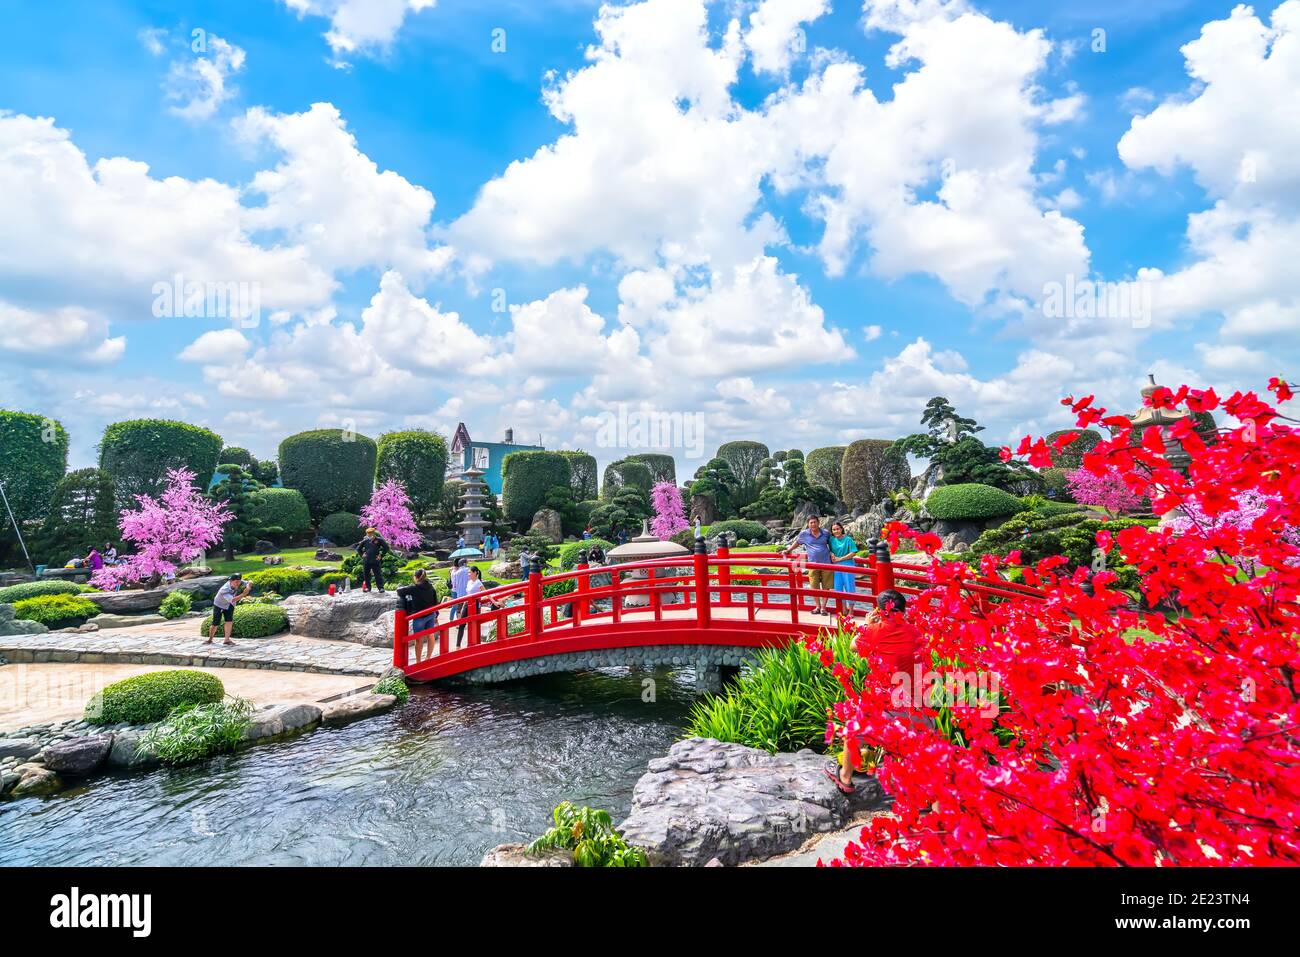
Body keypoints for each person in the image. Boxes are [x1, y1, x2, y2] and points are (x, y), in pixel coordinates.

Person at [826, 590, 924, 794]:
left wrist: (868, 623)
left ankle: (845, 777)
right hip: (913, 701)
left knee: (854, 729)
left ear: (880, 610)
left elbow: (853, 645)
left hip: (883, 700)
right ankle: (921, 792)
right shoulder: (915, 632)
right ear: (903, 611)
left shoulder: (874, 631)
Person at [785, 515, 833, 616]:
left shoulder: (826, 533)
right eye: (811, 523)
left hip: (826, 563)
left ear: (818, 522)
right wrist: (789, 550)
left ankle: (824, 607)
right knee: (814, 586)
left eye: (815, 522)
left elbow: (832, 544)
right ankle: (817, 606)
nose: (813, 524)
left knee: (826, 587)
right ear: (808, 524)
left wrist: (835, 555)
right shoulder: (804, 534)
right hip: (812, 564)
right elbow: (797, 543)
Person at [397, 569, 441, 663]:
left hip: (419, 617)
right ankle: (428, 658)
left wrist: (401, 587)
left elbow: (400, 592)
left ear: (416, 577)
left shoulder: (414, 588)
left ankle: (418, 661)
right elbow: (435, 602)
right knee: (431, 635)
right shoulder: (431, 587)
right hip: (431, 615)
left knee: (418, 639)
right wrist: (436, 615)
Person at [456, 566, 499, 647]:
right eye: (468, 572)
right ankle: (458, 645)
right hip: (467, 604)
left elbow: (486, 593)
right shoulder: (469, 582)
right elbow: (467, 594)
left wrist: (493, 601)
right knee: (462, 623)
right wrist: (463, 607)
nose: (469, 574)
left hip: (475, 605)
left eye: (470, 572)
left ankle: (473, 644)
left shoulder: (478, 582)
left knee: (473, 624)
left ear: (475, 572)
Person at [207, 573, 251, 645]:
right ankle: (210, 639)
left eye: (239, 581)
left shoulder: (239, 582)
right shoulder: (224, 589)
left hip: (230, 605)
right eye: (236, 582)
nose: (238, 584)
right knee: (215, 622)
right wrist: (243, 594)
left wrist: (248, 587)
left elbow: (250, 581)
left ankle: (226, 640)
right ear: (231, 581)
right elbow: (233, 600)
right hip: (219, 605)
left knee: (229, 621)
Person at [829, 521, 859, 606]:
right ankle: (843, 609)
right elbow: (829, 549)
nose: (836, 531)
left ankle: (851, 610)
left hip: (847, 565)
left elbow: (853, 552)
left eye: (837, 529)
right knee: (838, 588)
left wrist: (840, 559)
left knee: (849, 587)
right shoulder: (831, 540)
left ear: (841, 529)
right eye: (834, 530)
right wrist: (832, 554)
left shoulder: (848, 539)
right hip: (836, 567)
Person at [353, 527, 391, 592]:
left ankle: (381, 588)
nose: (369, 535)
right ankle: (368, 588)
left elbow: (386, 548)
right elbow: (358, 549)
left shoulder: (379, 540)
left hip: (375, 560)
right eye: (368, 533)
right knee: (366, 574)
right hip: (366, 560)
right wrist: (362, 555)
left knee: (378, 574)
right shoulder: (365, 541)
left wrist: (381, 555)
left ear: (373, 533)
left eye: (370, 533)